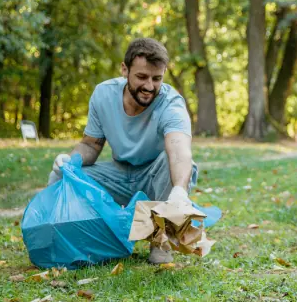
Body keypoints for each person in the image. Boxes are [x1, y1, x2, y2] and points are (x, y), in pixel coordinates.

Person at [47, 37, 197, 265]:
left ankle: (161, 240)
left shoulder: (171, 103)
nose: (149, 86)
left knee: (174, 162)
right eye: (141, 77)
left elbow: (178, 149)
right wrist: (70, 159)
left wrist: (179, 191)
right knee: (61, 173)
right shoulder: (103, 94)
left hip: (154, 178)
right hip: (118, 175)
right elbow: (91, 145)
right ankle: (64, 240)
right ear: (124, 69)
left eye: (157, 79)